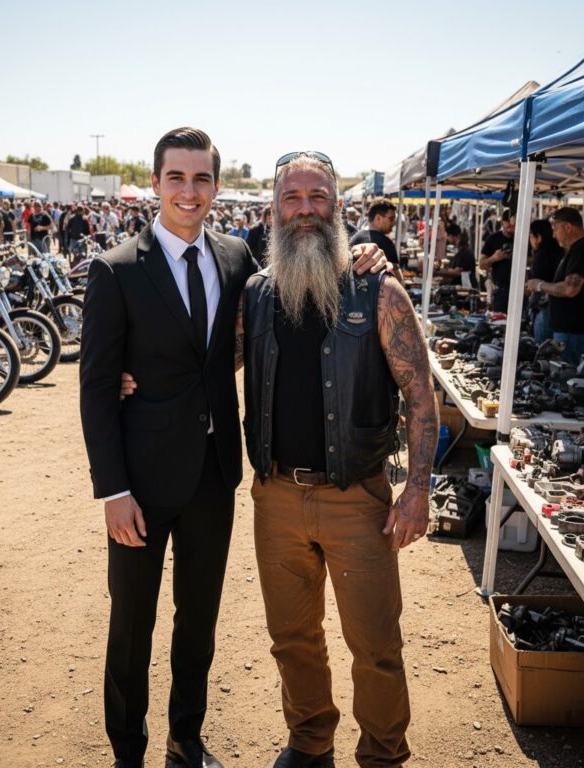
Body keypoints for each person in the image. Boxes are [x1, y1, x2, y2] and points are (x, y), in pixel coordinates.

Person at [85, 130, 387, 768]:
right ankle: (128, 753)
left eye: (201, 180)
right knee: (130, 628)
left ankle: (185, 741)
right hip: (137, 486)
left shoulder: (238, 263)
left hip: (213, 478)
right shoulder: (114, 270)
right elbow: (93, 390)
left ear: (217, 188)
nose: (189, 192)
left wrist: (369, 257)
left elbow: (273, 323)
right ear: (157, 183)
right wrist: (112, 490)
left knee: (197, 626)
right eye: (176, 178)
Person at [243, 152, 438, 768]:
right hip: (275, 497)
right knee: (292, 639)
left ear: (338, 206)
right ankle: (309, 741)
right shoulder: (255, 295)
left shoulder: (379, 290)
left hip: (358, 498)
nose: (305, 209)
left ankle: (383, 754)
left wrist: (416, 491)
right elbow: (206, 363)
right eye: (293, 197)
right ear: (275, 207)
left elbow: (419, 395)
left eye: (317, 196)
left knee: (375, 643)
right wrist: (130, 376)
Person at [525, 207, 584, 365]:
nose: (554, 235)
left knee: (568, 379)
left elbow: (570, 289)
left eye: (555, 229)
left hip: (576, 331)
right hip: (574, 330)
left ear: (568, 227)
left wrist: (539, 285)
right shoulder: (579, 248)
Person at [349, 199, 404, 282]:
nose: (393, 223)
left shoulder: (355, 237)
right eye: (391, 219)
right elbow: (396, 274)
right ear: (378, 218)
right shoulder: (386, 243)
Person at [527, 219, 563, 343]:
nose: (529, 240)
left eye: (531, 236)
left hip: (544, 308)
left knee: (542, 348)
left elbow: (535, 283)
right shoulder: (559, 251)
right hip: (557, 309)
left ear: (539, 237)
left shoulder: (542, 255)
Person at [479, 209, 515, 312]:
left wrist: (517, 257)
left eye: (513, 222)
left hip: (519, 289)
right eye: (507, 222)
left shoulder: (522, 238)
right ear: (502, 222)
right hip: (500, 290)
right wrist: (494, 258)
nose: (510, 225)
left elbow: (532, 259)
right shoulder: (493, 239)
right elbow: (481, 265)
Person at [435, 223, 477, 288]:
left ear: (452, 236)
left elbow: (456, 273)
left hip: (466, 290)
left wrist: (436, 272)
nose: (446, 238)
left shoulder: (466, 253)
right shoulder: (460, 252)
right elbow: (452, 270)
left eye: (447, 236)